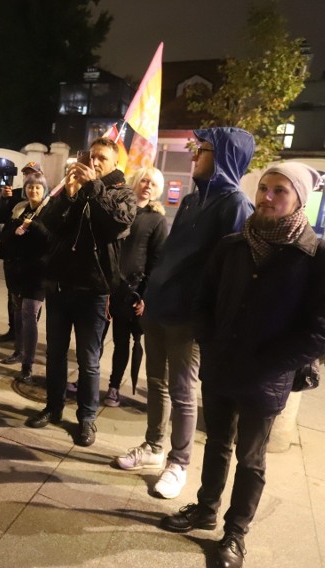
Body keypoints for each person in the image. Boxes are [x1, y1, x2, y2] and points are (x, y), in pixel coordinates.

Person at [160, 162, 325, 568]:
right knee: (215, 444)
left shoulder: (322, 258)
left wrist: (268, 364)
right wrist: (209, 343)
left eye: (280, 190)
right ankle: (206, 507)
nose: (267, 196)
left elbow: (322, 331)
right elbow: (203, 300)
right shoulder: (232, 246)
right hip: (221, 366)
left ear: (300, 198)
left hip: (265, 378)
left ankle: (235, 532)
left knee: (251, 458)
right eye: (264, 188)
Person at [115, 128, 255, 500]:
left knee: (182, 390)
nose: (193, 156)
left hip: (188, 318)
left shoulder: (236, 205)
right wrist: (150, 295)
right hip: (159, 307)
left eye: (201, 149)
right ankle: (153, 447)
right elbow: (169, 257)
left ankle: (178, 462)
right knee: (156, 383)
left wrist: (204, 316)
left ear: (224, 155)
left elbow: (230, 272)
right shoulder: (193, 201)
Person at [27, 138, 136, 449]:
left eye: (102, 157)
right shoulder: (75, 187)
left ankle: (87, 417)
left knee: (89, 360)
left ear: (115, 163)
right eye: (91, 156)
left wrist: (92, 189)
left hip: (93, 290)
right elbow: (49, 224)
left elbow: (117, 223)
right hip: (60, 285)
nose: (95, 162)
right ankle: (53, 406)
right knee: (55, 353)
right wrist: (68, 197)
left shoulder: (120, 192)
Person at [103, 167, 168, 407]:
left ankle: (113, 386)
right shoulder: (121, 211)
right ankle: (84, 379)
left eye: (152, 183)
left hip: (129, 290)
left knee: (122, 342)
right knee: (94, 339)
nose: (147, 186)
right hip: (104, 285)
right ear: (136, 182)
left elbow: (156, 261)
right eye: (144, 181)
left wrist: (145, 296)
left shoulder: (156, 220)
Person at [0, 171, 51, 382]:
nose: (33, 190)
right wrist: (16, 228)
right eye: (29, 187)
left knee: (29, 314)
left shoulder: (49, 211)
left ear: (44, 190)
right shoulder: (19, 209)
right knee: (17, 312)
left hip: (38, 273)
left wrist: (31, 226)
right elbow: (4, 229)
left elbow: (49, 238)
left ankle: (28, 363)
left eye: (37, 187)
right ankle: (18, 352)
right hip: (17, 270)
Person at [0, 161, 44, 344]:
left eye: (33, 174)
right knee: (13, 297)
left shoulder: (47, 202)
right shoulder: (14, 195)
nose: (32, 186)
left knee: (30, 304)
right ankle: (13, 330)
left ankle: (26, 337)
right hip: (12, 257)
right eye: (26, 174)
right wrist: (4, 199)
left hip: (32, 262)